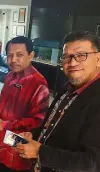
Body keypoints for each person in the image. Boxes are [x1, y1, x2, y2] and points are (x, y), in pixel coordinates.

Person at [16, 31, 100, 172]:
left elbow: (92, 163)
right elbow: (53, 124)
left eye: (81, 56)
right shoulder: (66, 88)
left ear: (98, 59)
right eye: (67, 57)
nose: (72, 62)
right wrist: (34, 134)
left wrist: (40, 152)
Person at [0, 36, 49, 172]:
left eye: (19, 55)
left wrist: (3, 125)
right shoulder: (10, 76)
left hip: (18, 150)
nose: (13, 59)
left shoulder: (38, 83)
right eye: (10, 55)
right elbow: (3, 105)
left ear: (31, 55)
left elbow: (38, 122)